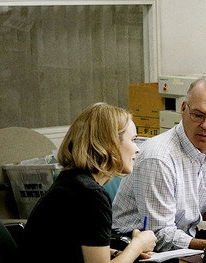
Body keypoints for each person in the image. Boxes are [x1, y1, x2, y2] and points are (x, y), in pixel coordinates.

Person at [112, 77, 206, 251]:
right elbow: (161, 235)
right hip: (133, 246)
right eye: (198, 115)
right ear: (183, 109)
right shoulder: (158, 158)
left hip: (183, 238)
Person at [23, 103, 156, 263]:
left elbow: (71, 245)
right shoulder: (90, 195)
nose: (137, 149)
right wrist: (137, 245)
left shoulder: (71, 180)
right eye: (133, 140)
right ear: (110, 144)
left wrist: (118, 254)